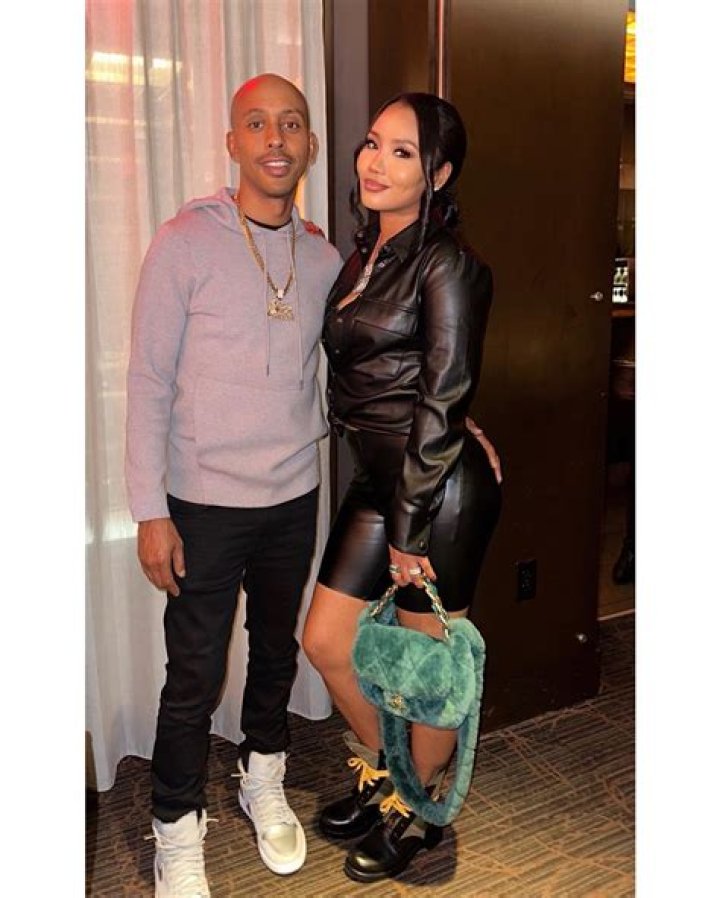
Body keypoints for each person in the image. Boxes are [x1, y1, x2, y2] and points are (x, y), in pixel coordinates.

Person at [126, 74, 343, 895]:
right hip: (203, 502)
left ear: (309, 145)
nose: (275, 138)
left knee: (276, 649)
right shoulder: (185, 241)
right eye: (257, 123)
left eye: (290, 124)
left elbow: (365, 368)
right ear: (232, 143)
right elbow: (147, 380)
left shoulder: (324, 258)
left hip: (293, 495)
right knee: (193, 673)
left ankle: (263, 773)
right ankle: (175, 826)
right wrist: (150, 509)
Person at [302, 92, 502, 883]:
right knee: (326, 642)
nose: (375, 162)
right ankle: (391, 772)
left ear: (438, 174)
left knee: (429, 673)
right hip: (377, 483)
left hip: (437, 493)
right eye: (372, 144)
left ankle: (419, 812)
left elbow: (444, 394)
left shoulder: (448, 263)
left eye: (403, 152)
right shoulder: (363, 256)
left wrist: (412, 528)